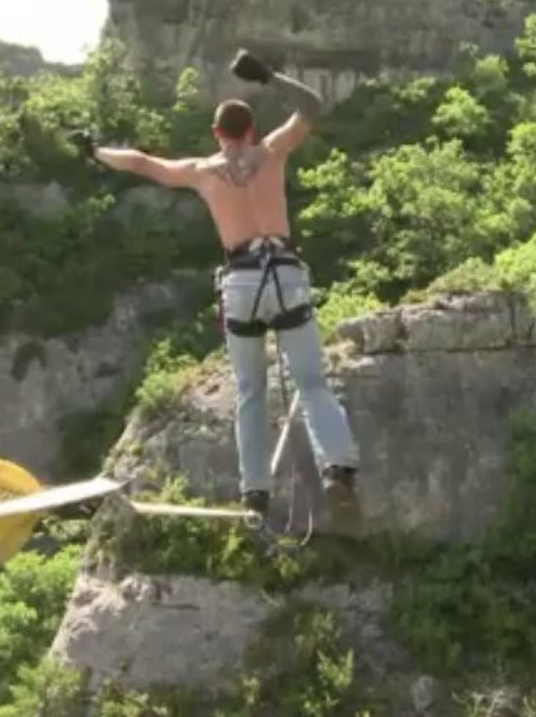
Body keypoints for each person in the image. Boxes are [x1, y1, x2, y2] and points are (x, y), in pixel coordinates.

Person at [69, 49, 361, 526]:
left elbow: (144, 163)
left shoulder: (204, 171)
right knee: (311, 382)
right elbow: (313, 107)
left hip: (242, 283)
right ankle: (340, 470)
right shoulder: (272, 152)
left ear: (217, 135)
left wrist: (95, 150)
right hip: (286, 275)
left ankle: (256, 495)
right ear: (250, 130)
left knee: (249, 391)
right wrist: (268, 76)